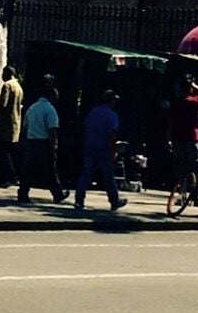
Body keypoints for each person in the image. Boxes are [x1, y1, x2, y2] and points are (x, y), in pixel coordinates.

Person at [74, 88, 124, 217]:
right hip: (103, 149)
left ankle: (79, 200)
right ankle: (114, 200)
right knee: (108, 175)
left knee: (86, 174)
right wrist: (113, 150)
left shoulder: (93, 112)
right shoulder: (112, 115)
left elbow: (85, 126)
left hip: (90, 146)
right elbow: (111, 134)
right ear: (111, 101)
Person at [18, 77, 64, 206]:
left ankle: (23, 193)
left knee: (28, 169)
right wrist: (54, 145)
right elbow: (52, 129)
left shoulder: (32, 108)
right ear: (51, 96)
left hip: (31, 141)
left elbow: (25, 127)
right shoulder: (50, 110)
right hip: (44, 143)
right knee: (50, 170)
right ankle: (58, 194)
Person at [0, 64, 24, 188]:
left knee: (2, 152)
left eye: (3, 74)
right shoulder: (18, 87)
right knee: (9, 151)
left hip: (5, 124)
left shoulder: (7, 85)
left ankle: (7, 177)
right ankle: (11, 177)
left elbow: (3, 104)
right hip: (15, 124)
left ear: (7, 74)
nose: (2, 76)